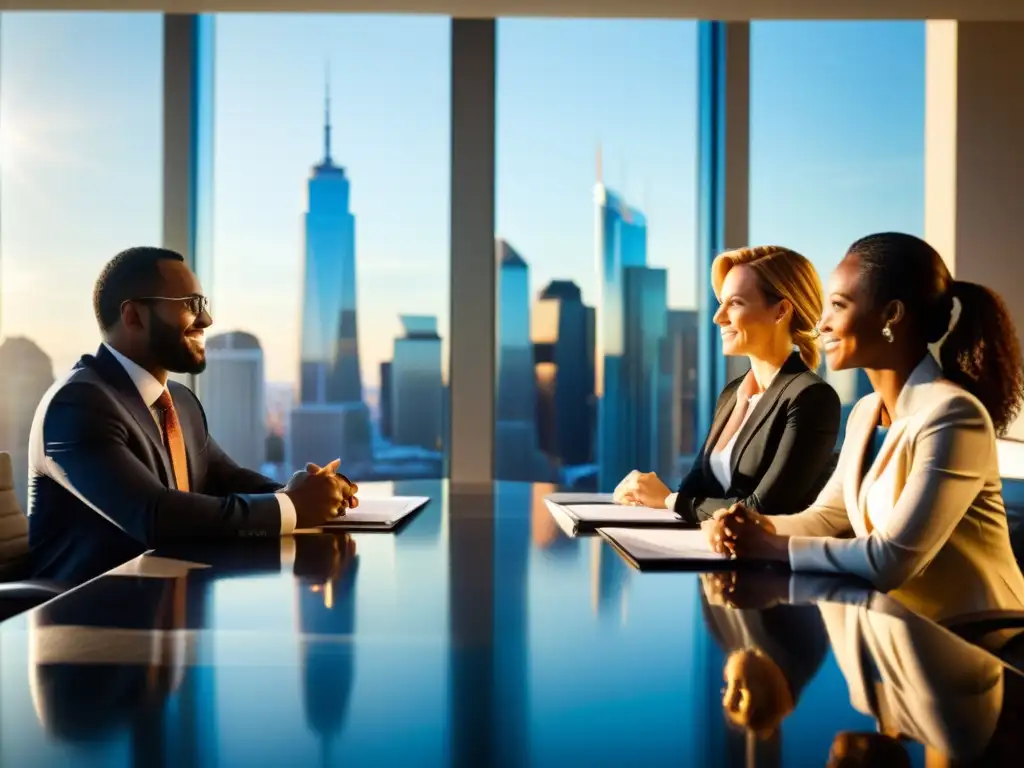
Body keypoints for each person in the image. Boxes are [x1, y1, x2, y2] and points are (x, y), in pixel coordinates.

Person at [708, 233, 1024, 622]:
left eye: (838, 306)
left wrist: (770, 545)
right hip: (897, 631)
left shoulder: (954, 415)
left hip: (975, 640)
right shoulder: (864, 413)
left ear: (891, 315)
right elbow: (826, 518)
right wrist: (751, 525)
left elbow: (890, 559)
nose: (821, 324)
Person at [27, 246, 359, 585]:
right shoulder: (77, 404)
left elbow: (225, 478)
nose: (207, 320)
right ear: (134, 316)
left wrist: (316, 492)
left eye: (204, 304)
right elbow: (154, 516)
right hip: (89, 618)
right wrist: (292, 506)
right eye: (191, 305)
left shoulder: (179, 402)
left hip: (167, 604)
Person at [615, 245, 840, 524]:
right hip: (707, 553)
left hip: (762, 565)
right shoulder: (732, 394)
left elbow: (762, 511)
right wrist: (644, 493)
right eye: (721, 302)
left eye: (734, 303)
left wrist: (668, 500)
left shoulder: (811, 397)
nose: (718, 317)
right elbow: (694, 490)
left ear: (781, 310)